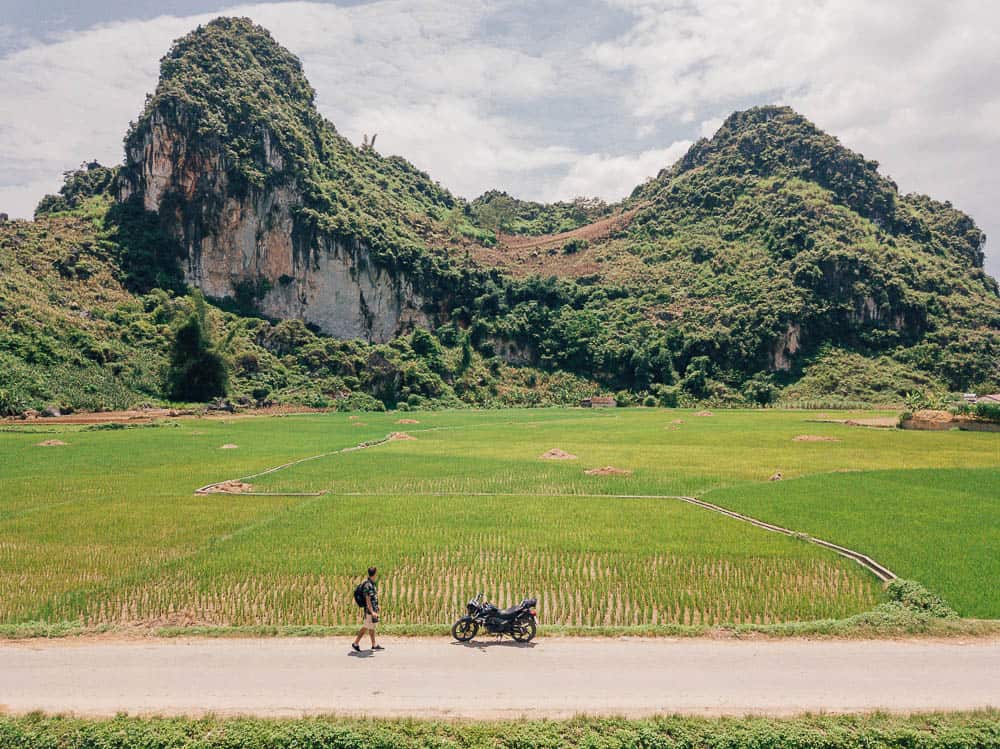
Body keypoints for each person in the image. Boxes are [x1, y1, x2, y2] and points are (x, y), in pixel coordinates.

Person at [352, 566, 382, 652]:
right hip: (369, 610)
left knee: (371, 627)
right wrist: (372, 611)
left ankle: (374, 644)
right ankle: (355, 643)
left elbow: (373, 597)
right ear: (375, 573)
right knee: (366, 626)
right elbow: (368, 600)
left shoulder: (372, 583)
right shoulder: (367, 585)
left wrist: (377, 605)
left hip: (373, 609)